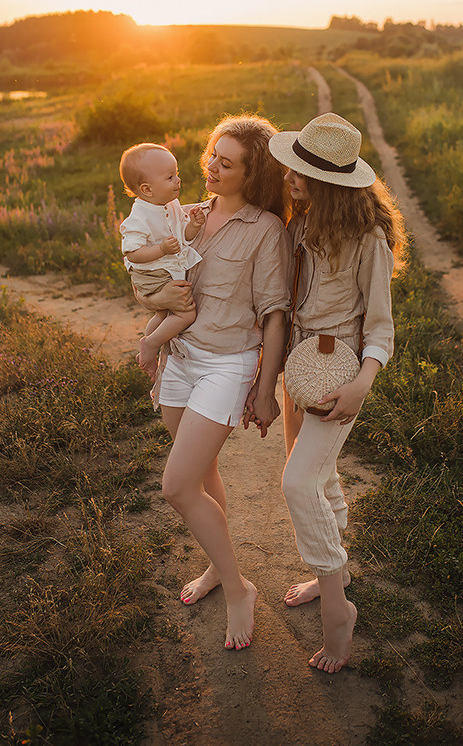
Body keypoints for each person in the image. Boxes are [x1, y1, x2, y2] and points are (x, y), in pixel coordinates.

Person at [136, 115, 293, 651]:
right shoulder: (187, 216)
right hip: (180, 357)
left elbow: (275, 313)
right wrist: (155, 332)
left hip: (228, 365)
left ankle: (237, 588)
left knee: (176, 486)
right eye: (211, 156)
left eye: (227, 163)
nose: (211, 167)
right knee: (202, 472)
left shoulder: (267, 230)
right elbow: (153, 277)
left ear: (253, 175)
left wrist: (266, 388)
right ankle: (214, 563)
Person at [264, 112, 406, 673]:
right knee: (319, 474)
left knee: (297, 481)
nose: (290, 177)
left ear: (330, 182)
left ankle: (337, 608)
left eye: (302, 172)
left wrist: (362, 385)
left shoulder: (368, 240)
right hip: (298, 371)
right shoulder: (302, 226)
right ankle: (337, 574)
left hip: (338, 373)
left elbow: (380, 326)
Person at [119, 142, 206, 379]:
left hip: (165, 269)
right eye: (170, 177)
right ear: (147, 189)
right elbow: (132, 253)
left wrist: (193, 226)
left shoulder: (171, 205)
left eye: (176, 174)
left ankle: (147, 342)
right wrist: (161, 249)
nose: (178, 180)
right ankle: (152, 344)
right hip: (151, 273)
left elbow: (182, 238)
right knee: (186, 314)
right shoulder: (139, 216)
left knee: (162, 315)